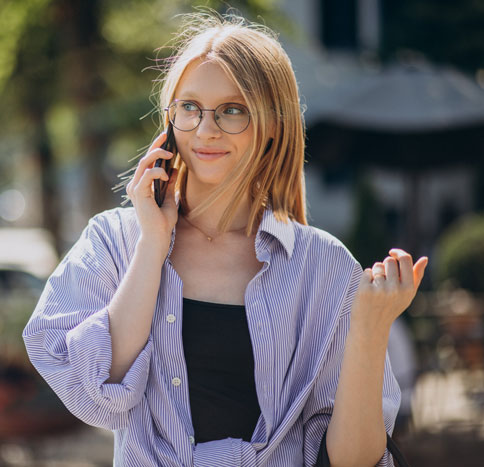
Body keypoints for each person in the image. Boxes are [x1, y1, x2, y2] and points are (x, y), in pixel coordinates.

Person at [22, 11, 428, 466]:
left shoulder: (324, 266)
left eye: (233, 110)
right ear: (169, 117)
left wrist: (371, 328)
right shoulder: (114, 241)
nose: (206, 129)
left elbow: (354, 461)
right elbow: (95, 396)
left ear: (273, 124)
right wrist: (152, 245)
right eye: (189, 107)